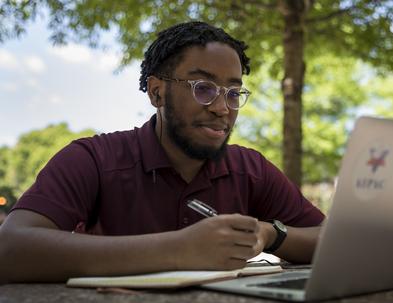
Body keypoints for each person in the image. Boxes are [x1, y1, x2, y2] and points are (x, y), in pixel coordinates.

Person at [0, 21, 325, 283]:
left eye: (234, 93)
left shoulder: (250, 169)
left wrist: (270, 234)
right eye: (204, 88)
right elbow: (10, 249)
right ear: (157, 91)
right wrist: (180, 249)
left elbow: (333, 243)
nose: (222, 108)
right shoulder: (94, 159)